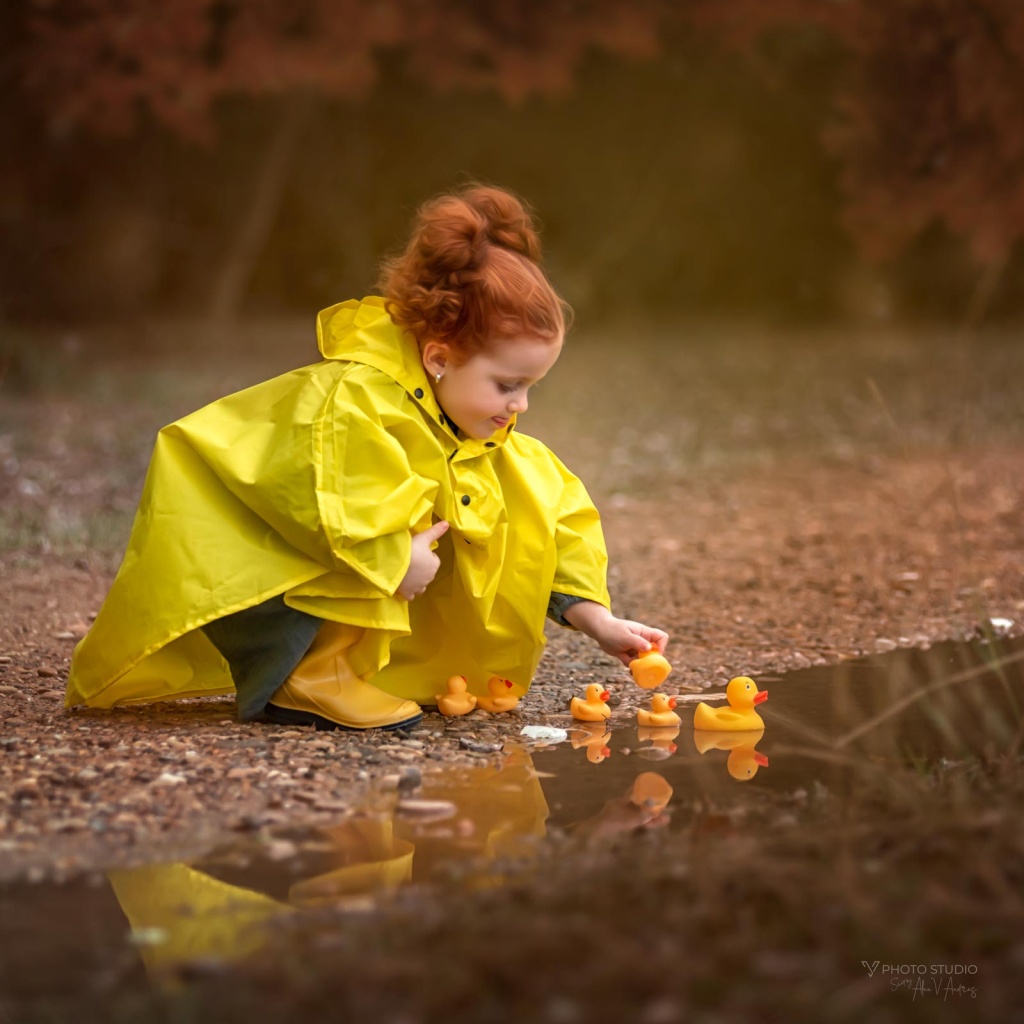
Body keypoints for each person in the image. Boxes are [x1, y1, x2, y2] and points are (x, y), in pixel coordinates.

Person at [65, 183, 669, 731]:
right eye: (508, 385)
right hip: (244, 550)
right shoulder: (357, 399)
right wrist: (392, 556)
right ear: (439, 357)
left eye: (532, 387)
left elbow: (550, 513)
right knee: (385, 529)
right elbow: (337, 500)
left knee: (505, 491)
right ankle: (303, 677)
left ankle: (352, 668)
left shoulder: (465, 420)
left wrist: (594, 617)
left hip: (311, 538)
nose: (521, 405)